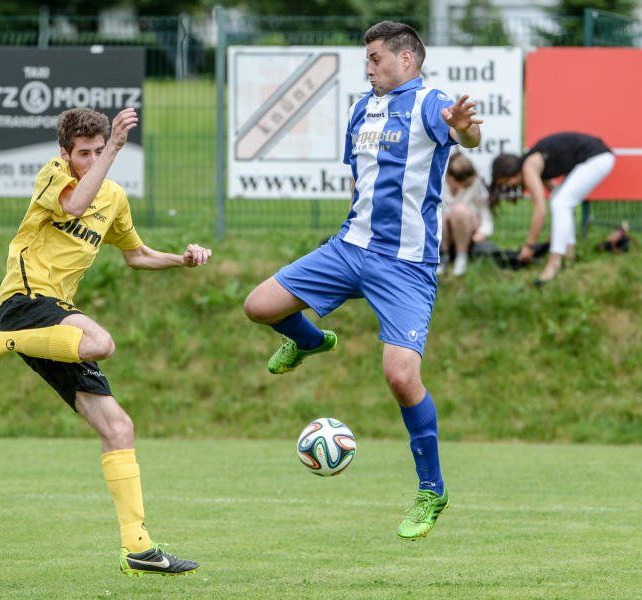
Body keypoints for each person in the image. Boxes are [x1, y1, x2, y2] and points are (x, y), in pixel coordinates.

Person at [243, 21, 482, 540]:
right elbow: (359, 180)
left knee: (401, 377)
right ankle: (312, 341)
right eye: (366, 60)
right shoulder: (361, 109)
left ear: (406, 59)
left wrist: (465, 129)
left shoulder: (430, 103)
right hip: (349, 249)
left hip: (406, 265)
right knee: (259, 305)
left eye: (376, 58)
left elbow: (466, 134)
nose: (368, 68)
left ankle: (432, 490)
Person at [0, 107, 211, 577]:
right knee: (100, 342)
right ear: (65, 153)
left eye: (98, 151)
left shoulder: (113, 197)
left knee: (118, 428)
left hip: (52, 330)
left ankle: (138, 547)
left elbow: (136, 255)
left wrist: (181, 259)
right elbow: (73, 206)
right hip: (25, 301)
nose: (91, 160)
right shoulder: (53, 175)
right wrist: (114, 150)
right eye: (83, 153)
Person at [490, 132, 616, 284]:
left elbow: (540, 210)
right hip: (595, 157)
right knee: (559, 200)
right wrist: (557, 231)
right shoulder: (533, 163)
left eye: (506, 182)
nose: (509, 186)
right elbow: (555, 192)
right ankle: (569, 253)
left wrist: (529, 246)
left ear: (511, 173)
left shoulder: (529, 167)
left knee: (561, 203)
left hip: (597, 158)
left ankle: (554, 263)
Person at [438, 152, 493, 276]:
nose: (467, 186)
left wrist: (483, 231)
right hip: (445, 228)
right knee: (440, 214)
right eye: (464, 184)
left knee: (459, 210)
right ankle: (442, 256)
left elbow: (484, 210)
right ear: (450, 178)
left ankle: (461, 256)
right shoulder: (439, 182)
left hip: (468, 224)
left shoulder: (475, 183)